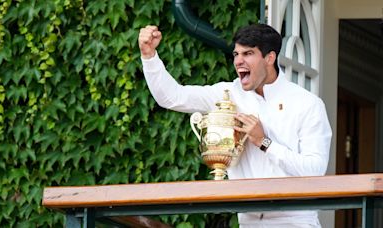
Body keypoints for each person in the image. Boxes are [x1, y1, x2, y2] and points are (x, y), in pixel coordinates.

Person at [138, 24, 332, 228]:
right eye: (236, 54)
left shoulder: (308, 104)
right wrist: (149, 56)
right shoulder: (227, 94)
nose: (239, 61)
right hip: (248, 222)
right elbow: (172, 97)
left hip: (296, 222)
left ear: (269, 58)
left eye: (248, 53)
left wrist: (264, 142)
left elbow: (315, 170)